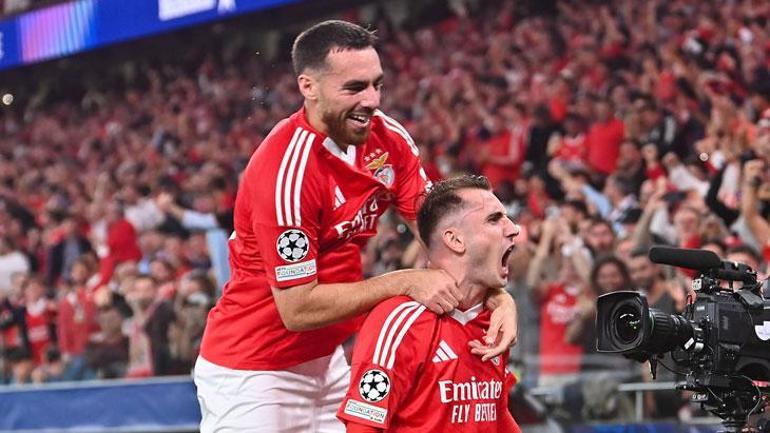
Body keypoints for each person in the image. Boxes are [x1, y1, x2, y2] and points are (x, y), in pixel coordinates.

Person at [193, 20, 518, 433]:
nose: (372, 101)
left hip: (330, 363)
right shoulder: (286, 172)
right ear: (308, 87)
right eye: (354, 88)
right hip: (253, 371)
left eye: (376, 85)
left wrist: (498, 298)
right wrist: (404, 281)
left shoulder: (388, 139)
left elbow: (447, 238)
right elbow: (297, 309)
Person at [337, 175, 520, 432]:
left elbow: (495, 414)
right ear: (455, 240)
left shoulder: (493, 318)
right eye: (494, 219)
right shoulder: (398, 322)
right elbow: (363, 428)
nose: (513, 228)